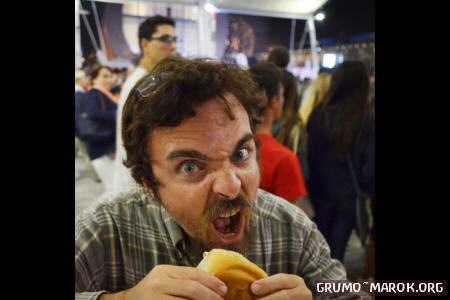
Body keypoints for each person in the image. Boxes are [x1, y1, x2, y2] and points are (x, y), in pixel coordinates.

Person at [75, 56, 360, 300]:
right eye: (190, 167)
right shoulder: (106, 230)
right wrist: (121, 298)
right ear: (149, 184)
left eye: (241, 154)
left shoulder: (293, 230)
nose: (231, 185)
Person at [306, 61, 375, 262]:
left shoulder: (318, 113)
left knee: (315, 253)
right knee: (335, 256)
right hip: (348, 199)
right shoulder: (366, 119)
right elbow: (370, 169)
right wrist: (360, 190)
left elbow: (310, 158)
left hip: (318, 195)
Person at [114, 15, 176, 194]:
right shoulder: (143, 85)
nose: (172, 45)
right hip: (139, 185)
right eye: (165, 39)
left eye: (174, 39)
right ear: (145, 44)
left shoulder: (149, 80)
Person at [248, 62, 307, 206]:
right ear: (274, 101)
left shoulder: (230, 151)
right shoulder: (284, 159)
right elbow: (292, 222)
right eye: (281, 95)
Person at [83, 64, 117, 191]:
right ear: (94, 79)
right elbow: (93, 113)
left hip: (108, 146)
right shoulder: (94, 93)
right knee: (113, 189)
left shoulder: (105, 94)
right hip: (102, 147)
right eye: (104, 76)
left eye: (109, 76)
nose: (109, 79)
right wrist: (118, 114)